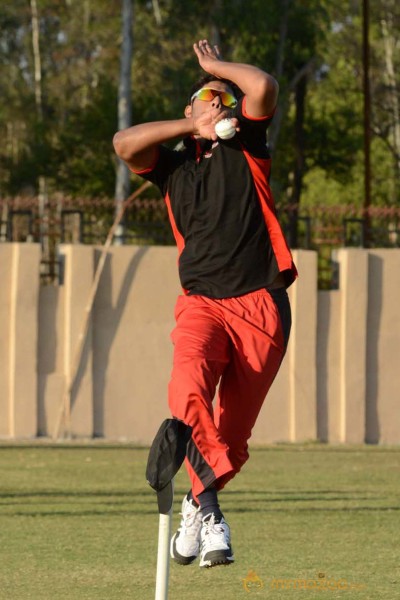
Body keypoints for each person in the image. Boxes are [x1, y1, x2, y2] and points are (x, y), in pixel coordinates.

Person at [113, 39, 297, 569]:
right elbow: (124, 143)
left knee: (232, 439)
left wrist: (216, 69)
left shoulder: (249, 146)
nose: (219, 101)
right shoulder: (171, 168)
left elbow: (262, 87)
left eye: (224, 98)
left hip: (262, 306)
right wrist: (187, 126)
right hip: (202, 306)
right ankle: (213, 512)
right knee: (186, 388)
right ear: (191, 111)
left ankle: (196, 503)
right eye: (207, 97)